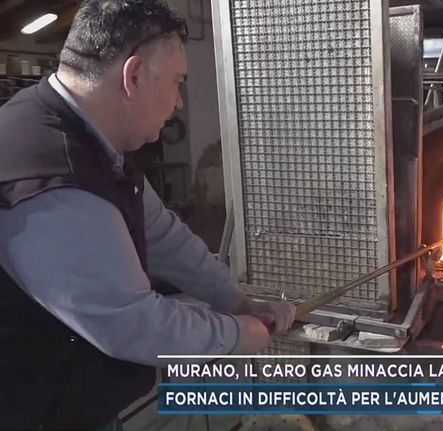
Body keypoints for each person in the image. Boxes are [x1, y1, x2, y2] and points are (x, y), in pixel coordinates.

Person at [0, 1, 295, 429]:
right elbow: (134, 324)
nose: (178, 102)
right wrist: (236, 334)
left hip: (70, 399)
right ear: (133, 75)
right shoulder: (53, 179)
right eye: (176, 82)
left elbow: (161, 234)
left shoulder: (83, 137)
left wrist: (234, 299)